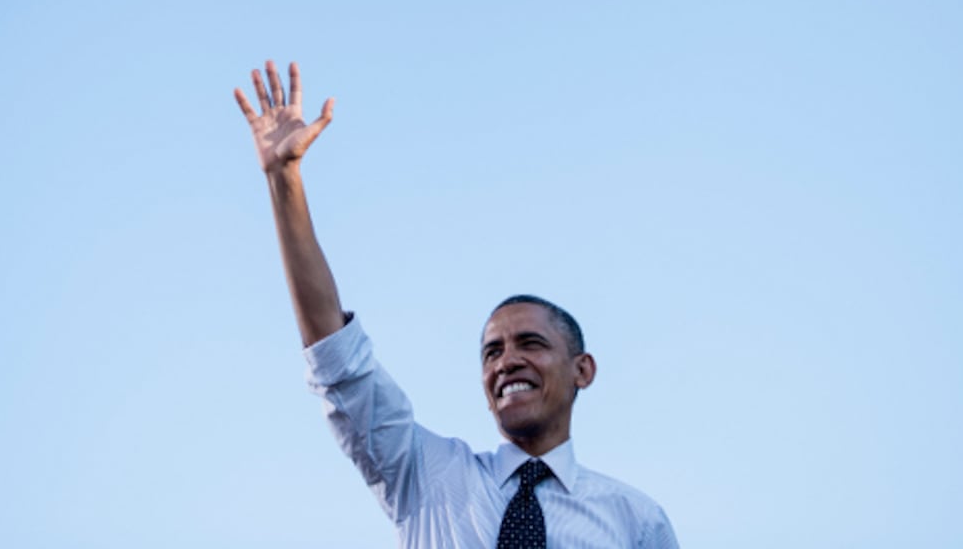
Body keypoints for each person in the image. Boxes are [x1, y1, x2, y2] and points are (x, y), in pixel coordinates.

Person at [235, 60, 679, 548]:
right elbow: (338, 359)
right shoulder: (427, 477)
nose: (507, 360)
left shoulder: (635, 521)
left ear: (583, 369)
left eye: (529, 343)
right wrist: (285, 180)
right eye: (492, 352)